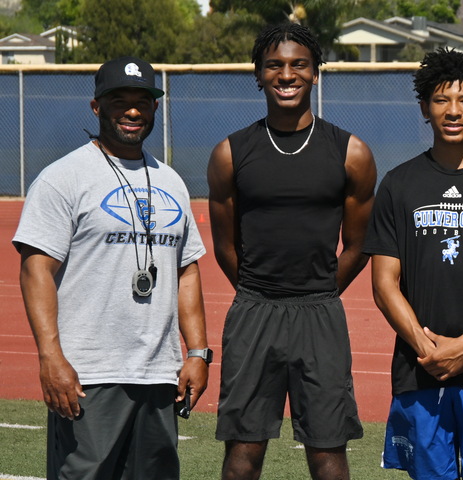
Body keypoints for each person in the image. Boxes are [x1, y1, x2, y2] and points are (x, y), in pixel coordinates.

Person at [15, 55, 210, 479]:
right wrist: (51, 357)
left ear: (156, 107)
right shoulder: (63, 177)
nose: (132, 110)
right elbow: (36, 271)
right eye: (118, 100)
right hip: (90, 375)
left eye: (143, 100)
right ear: (97, 106)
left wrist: (197, 352)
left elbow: (187, 269)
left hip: (159, 375)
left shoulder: (172, 182)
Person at [207, 23, 377, 480]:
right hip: (254, 310)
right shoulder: (230, 152)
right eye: (274, 65)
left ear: (315, 74)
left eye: (299, 64)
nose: (287, 74)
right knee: (243, 449)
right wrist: (260, 288)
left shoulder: (351, 152)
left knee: (327, 451)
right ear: (258, 75)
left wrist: (318, 289)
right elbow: (224, 245)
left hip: (320, 313)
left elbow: (359, 244)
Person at [364, 47, 463, 479]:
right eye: (441, 100)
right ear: (424, 108)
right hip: (419, 371)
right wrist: (427, 349)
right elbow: (384, 284)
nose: (453, 111)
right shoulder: (398, 183)